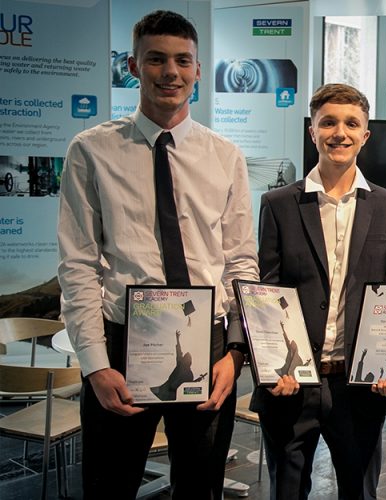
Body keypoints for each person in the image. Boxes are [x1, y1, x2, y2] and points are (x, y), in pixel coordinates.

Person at [57, 10, 258, 499]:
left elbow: (240, 264)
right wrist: (94, 364)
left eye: (182, 61)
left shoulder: (225, 155)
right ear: (133, 65)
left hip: (207, 347)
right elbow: (78, 265)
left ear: (197, 69)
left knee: (202, 487)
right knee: (110, 486)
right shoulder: (92, 151)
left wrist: (235, 353)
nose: (171, 72)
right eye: (156, 59)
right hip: (123, 344)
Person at [251, 83, 386, 500]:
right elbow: (267, 293)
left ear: (365, 135)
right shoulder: (278, 204)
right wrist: (271, 368)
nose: (340, 132)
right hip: (291, 383)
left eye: (351, 123)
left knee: (359, 492)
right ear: (312, 131)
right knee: (285, 492)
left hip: (358, 387)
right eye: (329, 122)